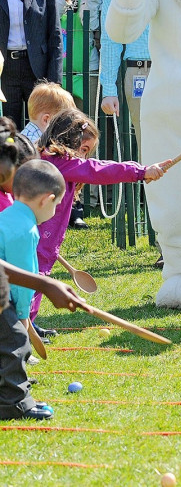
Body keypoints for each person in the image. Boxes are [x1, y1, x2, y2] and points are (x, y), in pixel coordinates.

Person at [30, 110, 166, 325]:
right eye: (83, 149)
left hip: (42, 239)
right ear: (69, 139)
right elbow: (98, 170)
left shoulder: (47, 159)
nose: (84, 157)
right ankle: (21, 333)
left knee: (34, 283)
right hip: (39, 240)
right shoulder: (61, 163)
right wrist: (140, 171)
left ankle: (28, 328)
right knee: (32, 284)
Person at [0, 159, 65, 421]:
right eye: (57, 204)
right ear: (46, 200)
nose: (56, 209)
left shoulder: (6, 216)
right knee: (15, 342)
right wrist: (24, 316)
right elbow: (22, 277)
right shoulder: (26, 230)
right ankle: (15, 403)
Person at [99, 0, 156, 155]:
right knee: (149, 150)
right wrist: (108, 89)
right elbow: (110, 34)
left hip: (180, 69)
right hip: (139, 72)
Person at [0, 0, 61, 129]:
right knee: (8, 131)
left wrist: (54, 80)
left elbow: (54, 36)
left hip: (37, 68)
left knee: (43, 130)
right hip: (5, 69)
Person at [21, 81, 76, 146]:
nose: (66, 128)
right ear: (46, 119)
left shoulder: (23, 138)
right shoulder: (36, 146)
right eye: (62, 122)